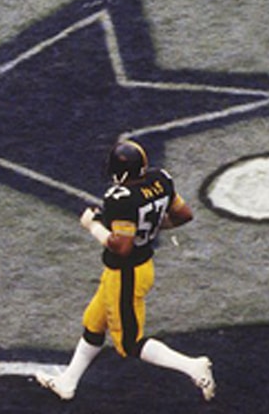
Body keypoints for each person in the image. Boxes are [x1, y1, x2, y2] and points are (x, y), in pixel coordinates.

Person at [36, 139, 215, 401]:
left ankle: (192, 366)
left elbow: (122, 247)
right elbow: (184, 214)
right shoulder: (160, 180)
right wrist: (150, 228)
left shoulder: (120, 198)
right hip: (134, 268)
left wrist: (93, 226)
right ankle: (68, 382)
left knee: (129, 343)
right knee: (94, 322)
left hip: (127, 273)